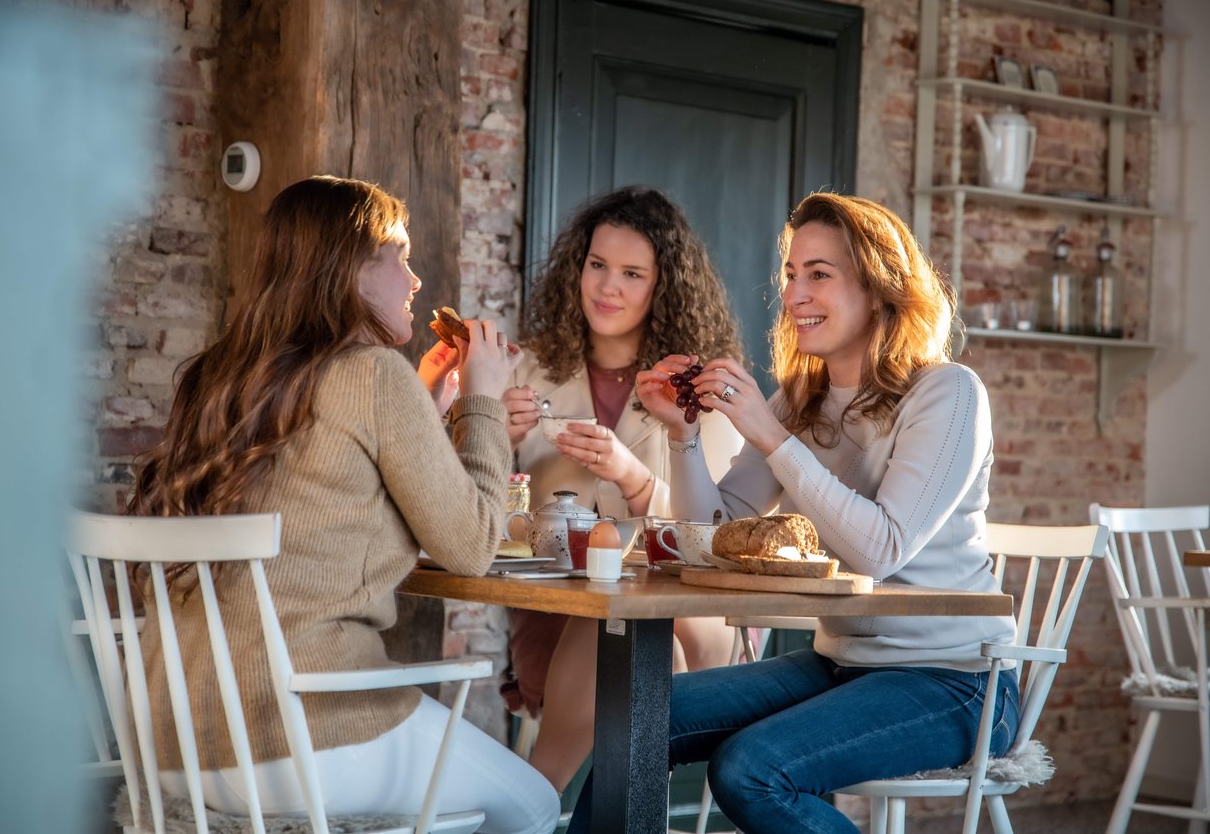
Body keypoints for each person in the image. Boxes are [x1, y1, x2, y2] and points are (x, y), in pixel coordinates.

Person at [568, 191, 1021, 833]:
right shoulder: (800, 399)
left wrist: (772, 437)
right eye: (790, 274)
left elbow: (879, 550)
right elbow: (714, 537)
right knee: (640, 714)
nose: (794, 294)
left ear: (879, 287)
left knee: (750, 769)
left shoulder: (947, 394)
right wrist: (683, 436)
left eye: (819, 274)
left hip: (958, 681)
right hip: (843, 663)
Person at [128, 176, 560, 834]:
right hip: (296, 735)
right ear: (353, 270)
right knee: (535, 805)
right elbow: (471, 543)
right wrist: (485, 404)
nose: (415, 279)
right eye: (400, 256)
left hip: (173, 739)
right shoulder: (370, 374)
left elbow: (332, 497)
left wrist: (427, 403)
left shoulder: (216, 377)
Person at [499, 186, 747, 792]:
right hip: (561, 612)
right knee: (628, 627)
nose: (607, 287)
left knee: (638, 622)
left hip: (694, 612)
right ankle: (620, 809)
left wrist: (632, 479)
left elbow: (714, 535)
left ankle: (534, 795)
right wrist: (488, 435)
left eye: (632, 273)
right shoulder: (525, 373)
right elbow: (485, 516)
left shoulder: (701, 387)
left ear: (663, 286)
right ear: (577, 268)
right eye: (597, 265)